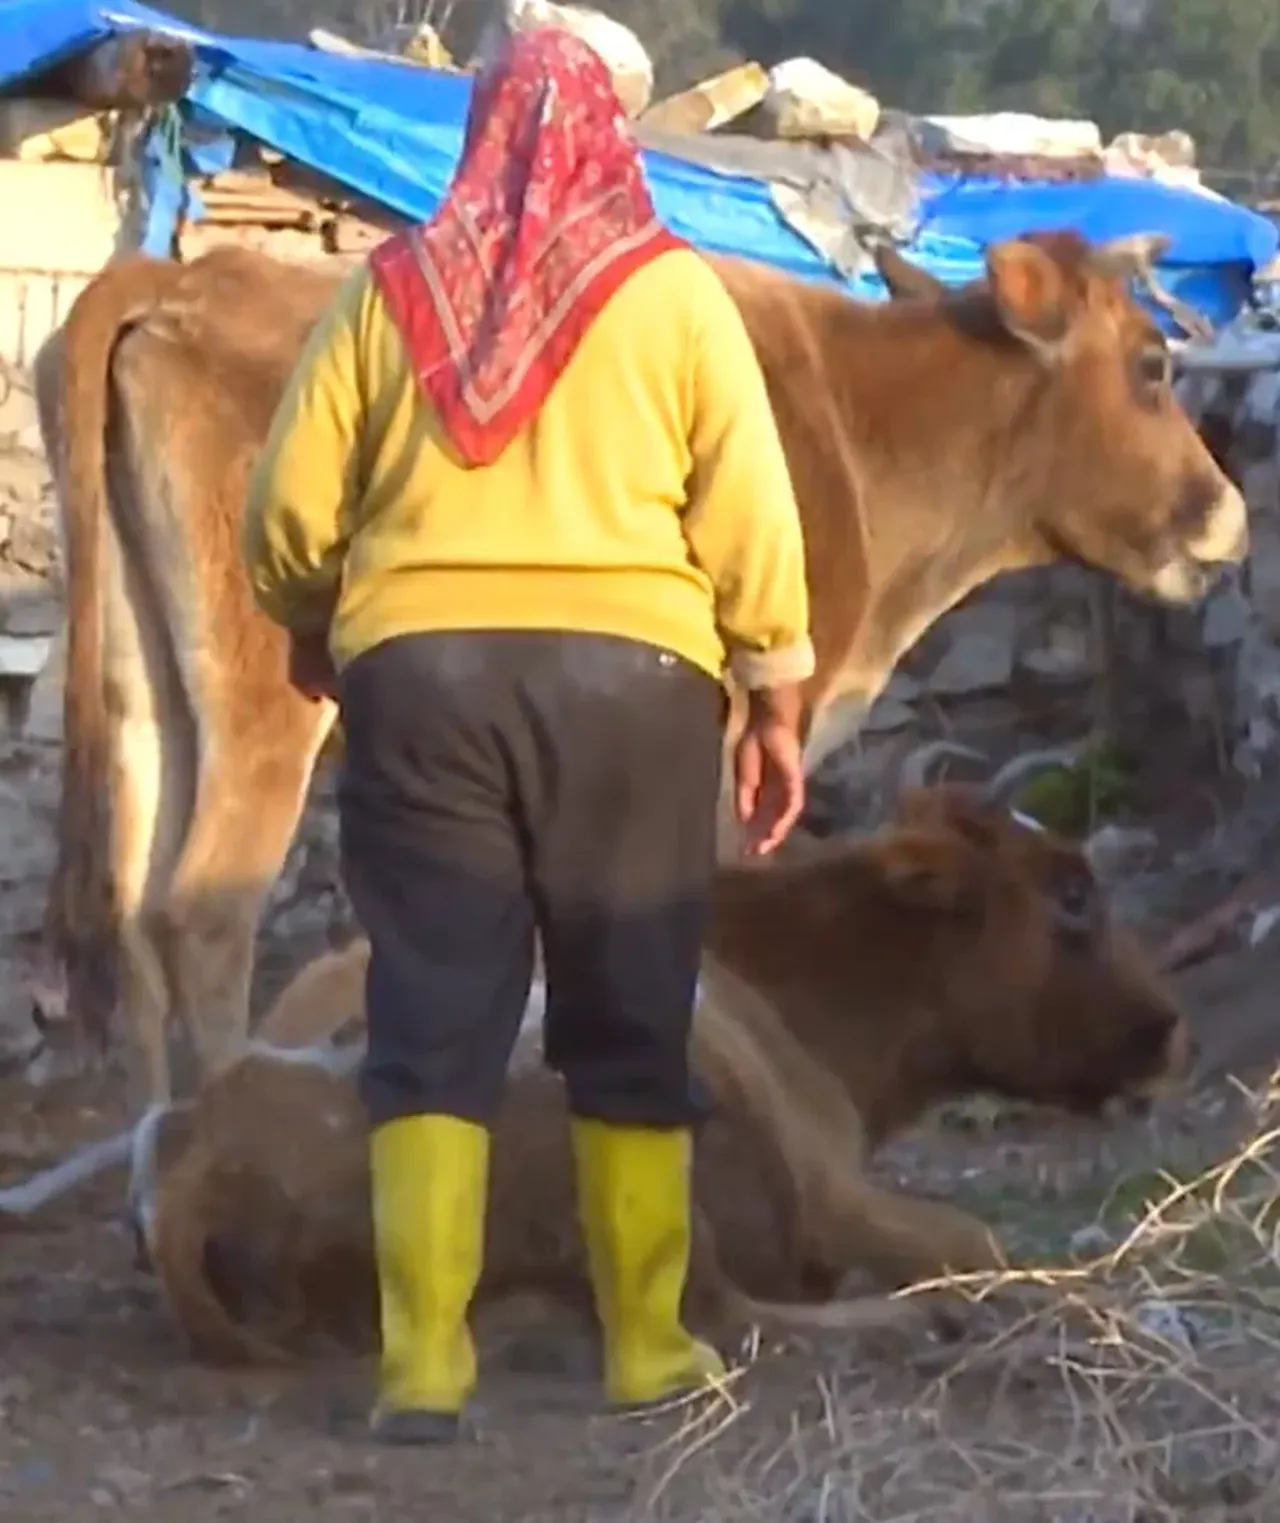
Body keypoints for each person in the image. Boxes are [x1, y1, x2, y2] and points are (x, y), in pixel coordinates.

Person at [241, 26, 812, 1446]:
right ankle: (648, 1347)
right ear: (614, 137)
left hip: (422, 687)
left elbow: (286, 514)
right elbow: (749, 512)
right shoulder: (675, 292)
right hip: (637, 692)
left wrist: (320, 620)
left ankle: (424, 1367)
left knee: (431, 1015)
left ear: (477, 135)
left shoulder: (388, 291)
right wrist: (776, 687)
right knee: (630, 1008)